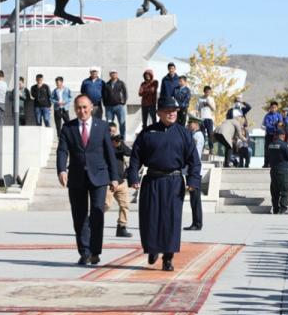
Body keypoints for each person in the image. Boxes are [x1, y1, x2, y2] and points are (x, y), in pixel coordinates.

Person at [128, 97, 201, 270]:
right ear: (159, 113)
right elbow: (135, 158)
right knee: (150, 218)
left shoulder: (184, 134)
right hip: (152, 180)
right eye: (168, 111)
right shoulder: (147, 133)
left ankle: (168, 257)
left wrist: (192, 180)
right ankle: (153, 249)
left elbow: (194, 161)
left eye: (174, 111)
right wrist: (133, 177)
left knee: (171, 220)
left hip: (174, 182)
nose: (172, 114)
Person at [56, 94, 119, 265]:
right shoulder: (68, 128)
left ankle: (95, 251)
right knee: (80, 216)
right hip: (76, 178)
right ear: (74, 109)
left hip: (99, 176)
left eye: (85, 107)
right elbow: (62, 151)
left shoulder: (102, 126)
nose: (82, 111)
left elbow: (109, 153)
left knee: (97, 213)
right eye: (78, 108)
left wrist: (114, 177)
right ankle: (84, 251)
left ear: (91, 107)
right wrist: (62, 170)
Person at [105, 132, 133, 238]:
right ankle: (91, 222)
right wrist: (112, 145)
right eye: (110, 132)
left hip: (121, 182)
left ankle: (121, 228)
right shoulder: (104, 144)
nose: (113, 134)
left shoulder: (119, 145)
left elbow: (129, 152)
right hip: (108, 182)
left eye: (114, 132)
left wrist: (119, 145)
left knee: (125, 205)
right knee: (106, 205)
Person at [268, 128, 288, 214]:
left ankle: (276, 209)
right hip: (283, 171)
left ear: (276, 135)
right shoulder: (284, 145)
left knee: (275, 191)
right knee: (284, 190)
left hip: (273, 171)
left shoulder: (270, 145)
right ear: (283, 136)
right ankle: (284, 208)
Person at [184, 116, 204, 231]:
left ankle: (197, 223)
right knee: (193, 199)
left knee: (195, 199)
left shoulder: (197, 135)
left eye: (190, 123)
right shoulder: (194, 135)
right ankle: (195, 222)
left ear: (196, 124)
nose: (188, 125)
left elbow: (193, 153)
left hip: (194, 170)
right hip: (191, 169)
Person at [103, 69, 128, 138]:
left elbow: (125, 93)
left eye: (114, 73)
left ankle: (123, 138)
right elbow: (104, 95)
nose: (113, 74)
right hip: (109, 108)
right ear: (110, 75)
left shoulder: (121, 83)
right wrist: (105, 104)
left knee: (122, 123)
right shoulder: (106, 84)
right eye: (112, 73)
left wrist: (123, 102)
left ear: (117, 74)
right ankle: (110, 138)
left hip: (119, 107)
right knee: (109, 123)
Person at [262, 101, 284, 168]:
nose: (273, 109)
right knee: (267, 149)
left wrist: (277, 125)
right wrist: (274, 126)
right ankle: (266, 163)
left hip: (276, 136)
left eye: (275, 107)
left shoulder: (279, 115)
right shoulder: (267, 116)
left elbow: (280, 123)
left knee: (276, 149)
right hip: (269, 134)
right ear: (270, 108)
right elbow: (267, 125)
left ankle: (275, 163)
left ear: (277, 108)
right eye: (272, 107)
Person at [197, 86, 216, 152]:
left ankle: (211, 148)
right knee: (202, 133)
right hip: (202, 118)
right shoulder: (200, 99)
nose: (208, 93)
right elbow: (197, 109)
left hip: (209, 118)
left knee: (210, 133)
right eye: (206, 92)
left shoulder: (211, 99)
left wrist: (209, 104)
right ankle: (202, 147)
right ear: (204, 92)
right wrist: (198, 117)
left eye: (209, 92)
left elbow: (214, 109)